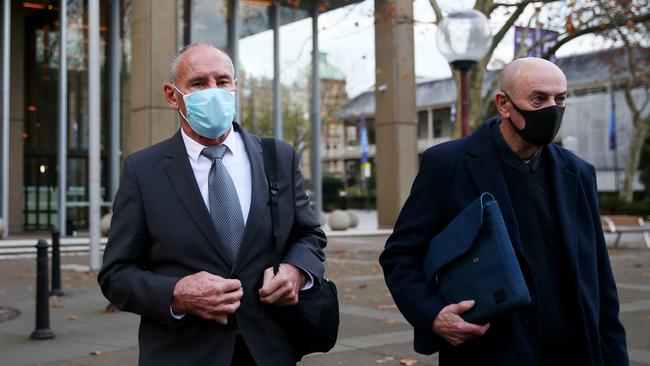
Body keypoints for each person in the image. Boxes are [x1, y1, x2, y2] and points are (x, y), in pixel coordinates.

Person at [380, 57, 628, 365]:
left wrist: (615, 356)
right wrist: (433, 315)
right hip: (489, 352)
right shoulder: (447, 165)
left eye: (560, 99)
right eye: (539, 98)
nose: (552, 109)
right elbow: (400, 256)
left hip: (575, 351)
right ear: (503, 104)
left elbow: (601, 281)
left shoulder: (578, 173)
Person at [98, 44, 326, 366]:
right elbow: (116, 274)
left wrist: (296, 271)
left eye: (222, 81)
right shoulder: (143, 170)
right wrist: (176, 293)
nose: (214, 92)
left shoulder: (278, 157)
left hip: (270, 349)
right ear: (172, 95)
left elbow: (309, 235)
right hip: (182, 354)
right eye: (198, 83)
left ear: (235, 87)